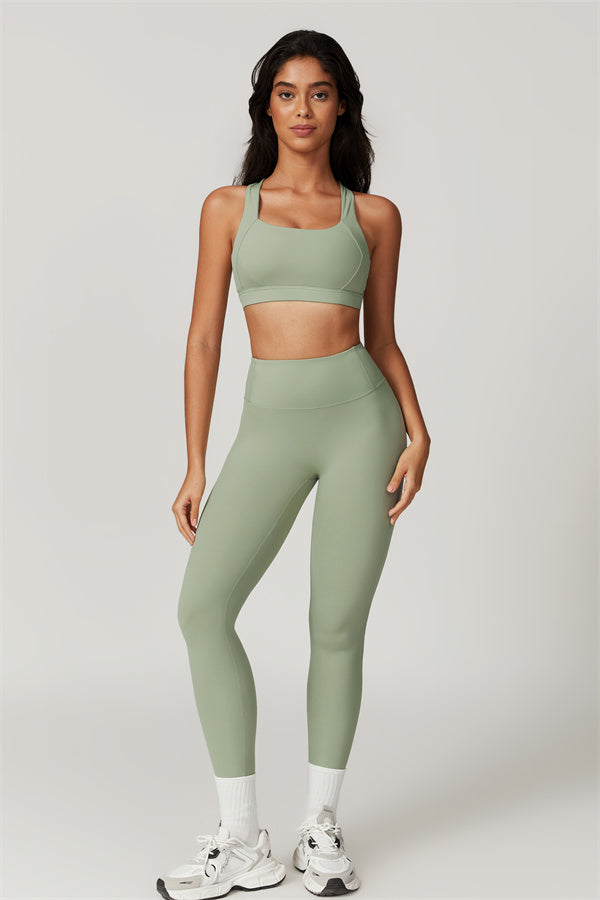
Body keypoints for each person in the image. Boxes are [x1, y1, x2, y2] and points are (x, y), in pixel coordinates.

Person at [156, 28, 431, 900]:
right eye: (286, 92)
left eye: (318, 92)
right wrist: (195, 463)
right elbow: (204, 340)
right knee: (203, 608)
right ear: (266, 107)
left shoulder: (373, 216)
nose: (302, 108)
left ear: (341, 105)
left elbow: (382, 339)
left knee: (335, 626)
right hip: (268, 427)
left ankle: (321, 828)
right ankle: (242, 840)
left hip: (361, 425)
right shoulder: (227, 208)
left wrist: (418, 430)